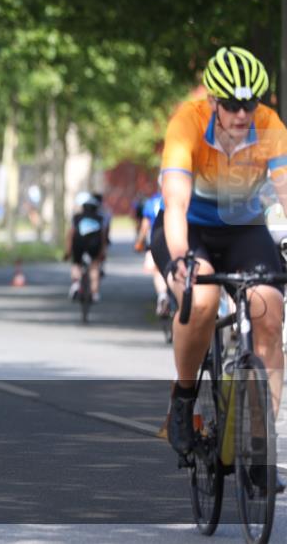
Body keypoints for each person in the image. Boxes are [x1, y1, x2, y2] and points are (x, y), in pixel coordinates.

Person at [152, 46, 285, 492]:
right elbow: (175, 202)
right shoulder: (186, 122)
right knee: (203, 298)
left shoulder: (269, 126)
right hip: (190, 228)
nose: (242, 114)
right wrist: (181, 258)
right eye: (231, 105)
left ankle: (259, 450)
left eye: (250, 103)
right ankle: (184, 396)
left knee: (268, 307)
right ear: (213, 101)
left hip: (242, 228)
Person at [63, 192, 107, 302]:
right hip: (94, 245)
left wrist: (68, 251)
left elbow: (71, 234)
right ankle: (95, 292)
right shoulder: (100, 218)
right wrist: (102, 252)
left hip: (78, 243)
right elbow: (103, 237)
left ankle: (76, 284)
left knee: (76, 264)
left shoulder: (77, 218)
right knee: (94, 267)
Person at [133, 189, 167, 316]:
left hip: (156, 238)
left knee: (157, 270)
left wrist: (139, 242)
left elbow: (145, 225)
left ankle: (162, 295)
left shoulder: (151, 202)